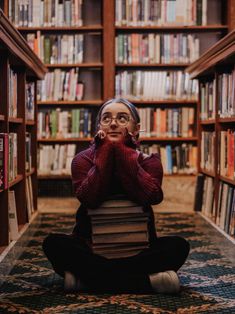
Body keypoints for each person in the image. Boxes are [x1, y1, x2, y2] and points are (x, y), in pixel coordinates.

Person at [43, 98, 190, 294]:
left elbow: (150, 196)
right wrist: (105, 152)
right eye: (106, 118)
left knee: (179, 246)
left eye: (122, 118)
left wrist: (121, 151)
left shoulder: (150, 162)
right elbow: (89, 198)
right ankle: (146, 282)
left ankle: (88, 280)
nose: (113, 123)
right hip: (91, 247)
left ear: (136, 128)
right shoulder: (82, 160)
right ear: (98, 127)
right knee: (53, 244)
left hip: (139, 248)